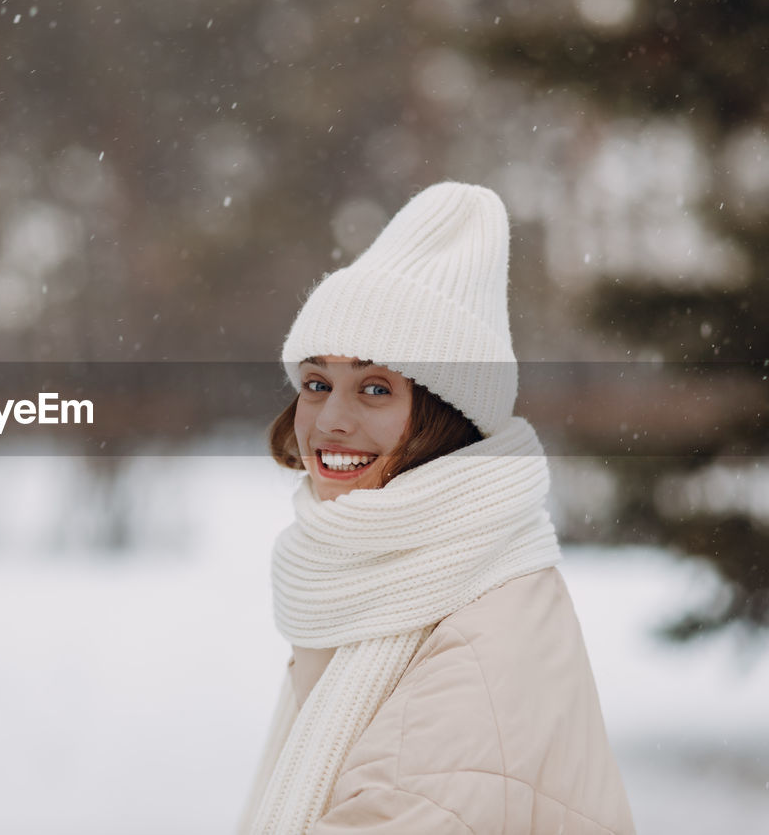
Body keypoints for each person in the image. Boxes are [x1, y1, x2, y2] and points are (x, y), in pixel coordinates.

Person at [238, 182, 635, 834]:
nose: (330, 420)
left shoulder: (480, 628)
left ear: (448, 415)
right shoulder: (390, 577)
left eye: (374, 387)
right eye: (316, 383)